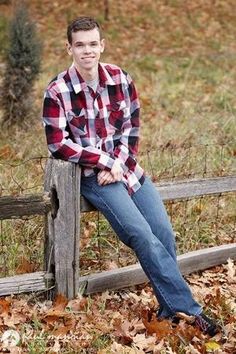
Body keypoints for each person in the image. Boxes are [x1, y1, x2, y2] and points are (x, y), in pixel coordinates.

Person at [42, 16, 219, 336]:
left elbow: (131, 130)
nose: (87, 51)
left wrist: (119, 164)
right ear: (69, 47)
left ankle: (168, 310)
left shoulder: (120, 79)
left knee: (163, 232)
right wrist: (105, 162)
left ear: (102, 45)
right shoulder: (58, 91)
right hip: (95, 178)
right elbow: (58, 144)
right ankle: (190, 313)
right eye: (79, 45)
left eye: (93, 44)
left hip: (128, 170)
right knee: (140, 234)